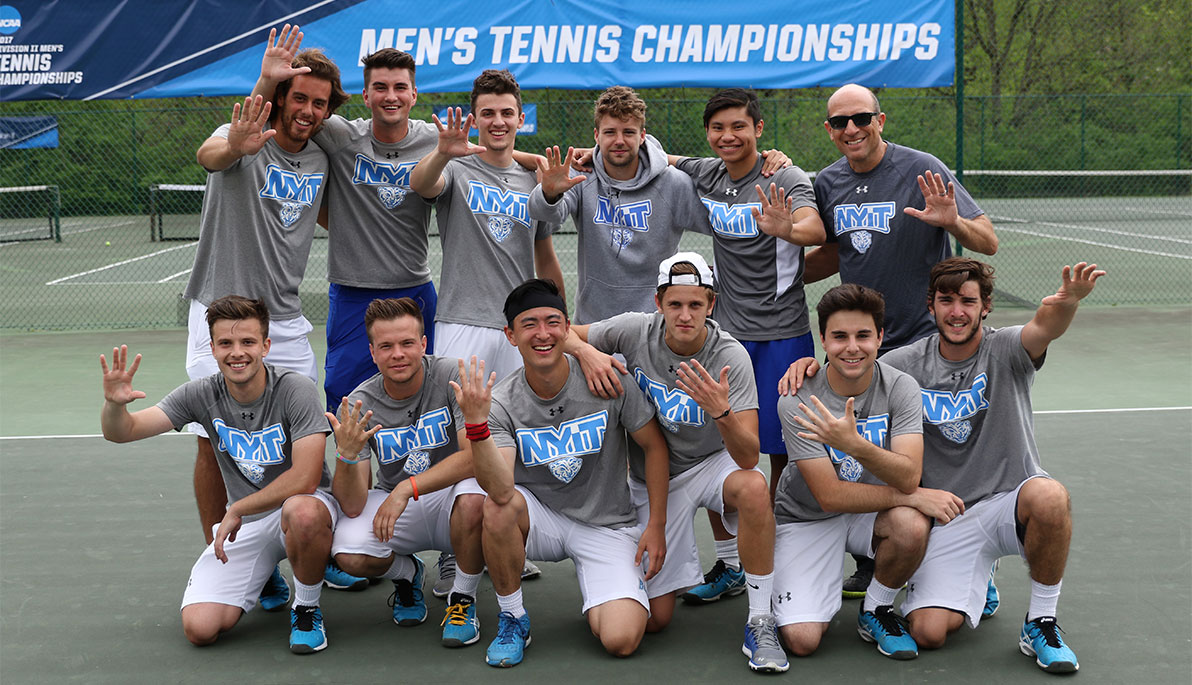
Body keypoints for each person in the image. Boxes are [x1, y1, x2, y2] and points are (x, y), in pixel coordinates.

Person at [803, 83, 998, 597]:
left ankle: (973, 560)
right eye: (840, 122)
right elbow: (830, 254)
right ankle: (877, 554)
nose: (851, 129)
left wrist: (951, 220)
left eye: (861, 118)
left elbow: (988, 239)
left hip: (925, 339)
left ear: (880, 120)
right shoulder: (826, 182)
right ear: (829, 129)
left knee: (941, 452)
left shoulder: (921, 169)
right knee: (866, 450)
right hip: (865, 346)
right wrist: (765, 271)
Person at [186, 30, 355, 603]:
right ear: (281, 96)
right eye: (299, 97)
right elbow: (212, 155)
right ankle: (225, 553)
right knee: (213, 441)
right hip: (220, 314)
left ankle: (315, 545)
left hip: (283, 322)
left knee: (304, 438)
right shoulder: (241, 135)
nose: (308, 110)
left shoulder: (320, 158)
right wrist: (235, 142)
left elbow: (341, 216)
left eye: (319, 102)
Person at [564, 252, 784, 672]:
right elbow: (566, 333)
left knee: (754, 486)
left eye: (695, 305)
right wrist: (587, 353)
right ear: (658, 302)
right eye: (675, 304)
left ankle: (760, 618)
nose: (685, 315)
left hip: (713, 462)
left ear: (711, 304)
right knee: (658, 619)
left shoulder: (730, 356)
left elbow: (749, 455)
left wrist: (721, 411)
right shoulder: (633, 330)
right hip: (656, 475)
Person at [882, 258, 1101, 673]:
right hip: (949, 515)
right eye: (946, 300)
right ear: (931, 306)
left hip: (1007, 504)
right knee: (928, 633)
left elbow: (1043, 327)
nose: (957, 311)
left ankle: (1040, 622)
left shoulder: (1006, 349)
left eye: (968, 300)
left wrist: (1068, 302)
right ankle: (982, 579)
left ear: (985, 307)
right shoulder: (905, 364)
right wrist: (806, 368)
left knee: (1050, 496)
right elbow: (847, 372)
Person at [100, 296, 338, 654]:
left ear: (266, 346)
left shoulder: (295, 389)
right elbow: (123, 431)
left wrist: (237, 507)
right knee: (200, 628)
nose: (236, 353)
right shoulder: (201, 393)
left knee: (301, 512)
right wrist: (115, 405)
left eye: (247, 342)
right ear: (212, 348)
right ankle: (265, 574)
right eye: (225, 343)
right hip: (251, 520)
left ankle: (306, 608)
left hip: (305, 507)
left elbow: (305, 477)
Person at [456, 279, 670, 667]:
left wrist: (655, 524)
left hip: (606, 523)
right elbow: (501, 489)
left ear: (568, 327)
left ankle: (602, 592)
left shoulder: (607, 378)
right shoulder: (502, 401)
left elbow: (654, 447)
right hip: (540, 518)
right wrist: (476, 425)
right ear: (510, 335)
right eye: (530, 324)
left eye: (553, 322)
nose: (543, 334)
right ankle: (513, 616)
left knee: (621, 639)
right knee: (498, 506)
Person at [667, 88, 826, 601]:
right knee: (721, 447)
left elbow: (814, 225)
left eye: (739, 127)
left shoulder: (784, 177)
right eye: (718, 128)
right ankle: (732, 563)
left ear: (758, 129)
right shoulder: (708, 173)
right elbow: (658, 155)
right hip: (728, 339)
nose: (728, 136)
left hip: (782, 334)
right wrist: (589, 153)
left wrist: (790, 228)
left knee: (783, 453)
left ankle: (777, 551)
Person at [773, 284, 963, 661]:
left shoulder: (901, 387)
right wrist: (911, 496)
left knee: (910, 525)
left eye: (863, 335)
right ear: (822, 340)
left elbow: (909, 475)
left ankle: (876, 609)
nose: (852, 347)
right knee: (802, 640)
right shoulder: (796, 398)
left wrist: (855, 444)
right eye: (839, 337)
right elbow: (829, 495)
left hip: (870, 513)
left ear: (880, 336)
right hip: (807, 515)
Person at [325, 297, 487, 648]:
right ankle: (408, 574)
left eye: (407, 343)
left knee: (477, 496)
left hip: (450, 495)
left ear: (424, 344)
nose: (397, 354)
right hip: (399, 505)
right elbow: (352, 505)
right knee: (349, 553)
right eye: (386, 346)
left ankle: (463, 598)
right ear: (372, 352)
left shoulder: (451, 377)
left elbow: (474, 457)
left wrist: (405, 489)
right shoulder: (357, 403)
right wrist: (346, 455)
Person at [410, 69, 565, 383]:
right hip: (461, 321)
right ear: (474, 119)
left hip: (522, 322)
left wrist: (560, 315)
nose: (498, 121)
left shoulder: (536, 180)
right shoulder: (454, 166)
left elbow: (545, 257)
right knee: (462, 419)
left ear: (520, 119)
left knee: (517, 419)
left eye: (507, 113)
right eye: (488, 113)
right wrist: (441, 151)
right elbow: (421, 184)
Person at [528, 86, 708, 324]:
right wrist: (549, 193)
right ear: (596, 135)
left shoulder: (673, 183)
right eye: (610, 132)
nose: (619, 141)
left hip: (654, 327)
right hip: (594, 324)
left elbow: (720, 227)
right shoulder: (582, 177)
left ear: (642, 136)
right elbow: (545, 213)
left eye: (629, 132)